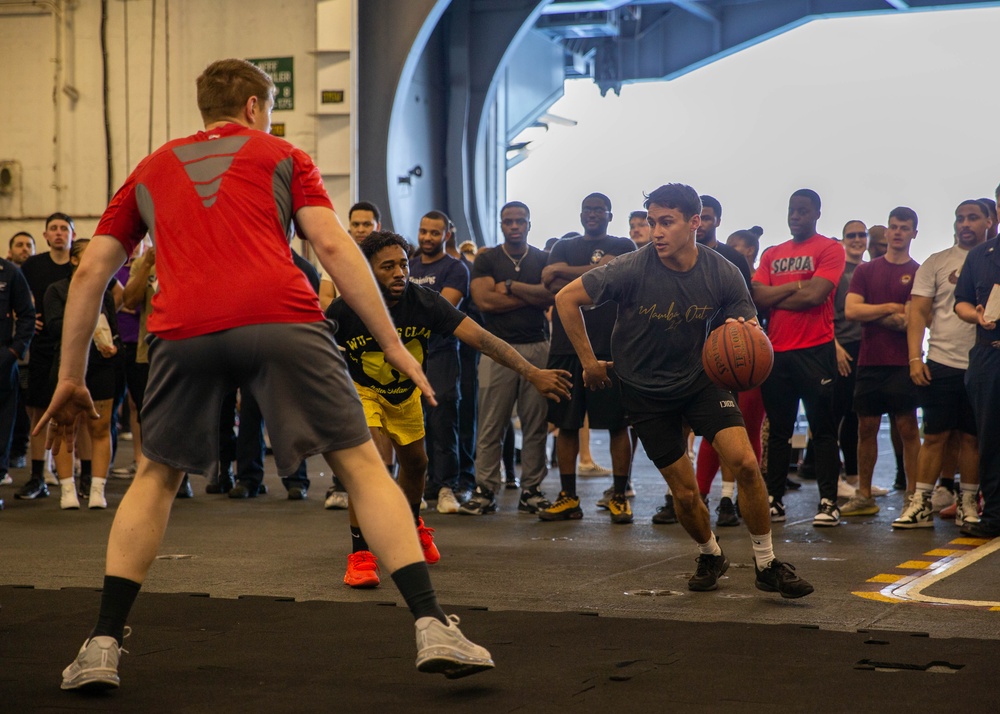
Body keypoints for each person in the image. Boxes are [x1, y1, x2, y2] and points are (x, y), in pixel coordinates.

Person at [43, 58, 494, 690]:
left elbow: (91, 271)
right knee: (363, 465)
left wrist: (71, 374)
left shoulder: (150, 168)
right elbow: (333, 246)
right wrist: (392, 343)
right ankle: (432, 625)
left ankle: (100, 645)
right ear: (255, 106)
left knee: (154, 477)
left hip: (184, 329)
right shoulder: (283, 154)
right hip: (280, 317)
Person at [555, 183, 813, 597]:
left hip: (701, 383)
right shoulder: (631, 268)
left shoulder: (722, 272)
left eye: (667, 222)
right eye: (652, 222)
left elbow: (748, 329)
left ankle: (766, 563)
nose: (656, 231)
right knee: (686, 493)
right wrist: (588, 361)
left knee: (746, 463)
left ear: (694, 223)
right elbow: (566, 298)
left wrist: (739, 331)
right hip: (644, 390)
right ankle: (710, 553)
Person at [329, 230, 570, 585]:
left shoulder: (424, 301)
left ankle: (410, 527)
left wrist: (532, 372)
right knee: (374, 465)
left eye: (403, 265)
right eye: (388, 267)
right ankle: (361, 554)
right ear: (367, 270)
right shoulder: (346, 307)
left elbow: (484, 339)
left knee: (417, 464)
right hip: (363, 391)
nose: (399, 273)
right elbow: (313, 348)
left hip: (405, 392)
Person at [459, 201, 561, 515]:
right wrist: (530, 296)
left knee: (535, 425)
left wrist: (510, 287)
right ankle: (485, 490)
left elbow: (550, 296)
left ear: (529, 224)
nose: (514, 226)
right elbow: (483, 301)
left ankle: (531, 489)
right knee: (491, 424)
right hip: (495, 350)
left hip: (537, 348)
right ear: (501, 225)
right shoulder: (487, 258)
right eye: (508, 221)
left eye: (520, 221)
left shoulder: (544, 258)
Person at [539, 193, 635, 522]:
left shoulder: (624, 246)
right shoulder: (563, 246)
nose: (592, 214)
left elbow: (618, 273)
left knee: (618, 425)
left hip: (610, 348)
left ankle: (619, 495)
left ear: (610, 213)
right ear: (580, 214)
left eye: (599, 210)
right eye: (587, 210)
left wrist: (567, 272)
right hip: (566, 349)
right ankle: (568, 497)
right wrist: (596, 269)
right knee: (566, 424)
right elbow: (551, 286)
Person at [752, 189, 845, 527]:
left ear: (816, 213)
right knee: (779, 430)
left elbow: (816, 296)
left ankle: (828, 501)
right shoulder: (772, 252)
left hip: (815, 350)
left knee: (822, 430)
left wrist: (776, 295)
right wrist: (794, 288)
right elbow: (756, 297)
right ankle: (774, 500)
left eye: (803, 211)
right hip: (777, 351)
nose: (795, 216)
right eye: (792, 210)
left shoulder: (830, 248)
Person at [894, 199, 988, 528]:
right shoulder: (936, 263)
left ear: (988, 221)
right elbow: (917, 313)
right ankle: (920, 502)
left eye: (973, 217)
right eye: (960, 218)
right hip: (941, 360)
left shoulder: (992, 260)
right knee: (934, 436)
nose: (965, 223)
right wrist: (914, 358)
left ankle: (967, 503)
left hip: (982, 361)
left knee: (971, 438)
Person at [840, 207, 921, 517]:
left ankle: (913, 495)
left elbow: (912, 322)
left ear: (914, 233)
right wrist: (890, 307)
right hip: (869, 361)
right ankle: (863, 494)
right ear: (886, 232)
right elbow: (852, 312)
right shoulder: (866, 271)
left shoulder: (917, 271)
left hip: (903, 361)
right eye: (893, 227)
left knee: (908, 429)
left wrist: (875, 312)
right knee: (866, 428)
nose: (897, 232)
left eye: (904, 227)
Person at [44, 239, 121, 509]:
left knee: (101, 426)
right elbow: (53, 328)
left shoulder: (105, 292)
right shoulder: (57, 290)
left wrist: (113, 346)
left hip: (100, 365)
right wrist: (82, 317)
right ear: (75, 260)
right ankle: (67, 489)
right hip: (67, 365)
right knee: (67, 425)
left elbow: (113, 328)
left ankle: (98, 488)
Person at [409, 211, 469, 511]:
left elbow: (441, 311)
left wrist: (408, 308)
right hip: (408, 355)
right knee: (411, 424)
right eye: (423, 231)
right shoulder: (409, 265)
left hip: (442, 355)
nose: (427, 238)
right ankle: (417, 487)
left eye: (434, 233)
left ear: (447, 235)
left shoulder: (456, 268)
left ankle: (447, 486)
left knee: (443, 420)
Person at [16, 213, 74, 500]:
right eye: (54, 229)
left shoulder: (80, 266)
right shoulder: (32, 266)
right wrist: (24, 316)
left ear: (72, 235)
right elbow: (15, 297)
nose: (59, 233)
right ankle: (38, 475)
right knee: (38, 411)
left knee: (73, 411)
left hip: (74, 345)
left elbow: (113, 295)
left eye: (64, 228)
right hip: (41, 345)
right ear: (46, 236)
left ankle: (79, 476)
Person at [953, 204, 1000, 538]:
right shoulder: (981, 254)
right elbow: (962, 302)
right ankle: (995, 514)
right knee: (991, 437)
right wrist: (977, 316)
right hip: (989, 355)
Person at [0, 242, 35, 503]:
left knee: (2, 426)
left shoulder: (10, 273)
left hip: (2, 362)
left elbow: (27, 315)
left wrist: (14, 351)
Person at [6, 231, 36, 473]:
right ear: (9, 250)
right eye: (19, 245)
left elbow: (27, 315)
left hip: (14, 359)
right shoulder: (10, 273)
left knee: (21, 406)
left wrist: (15, 351)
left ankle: (16, 451)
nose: (24, 249)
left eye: (29, 245)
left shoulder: (16, 276)